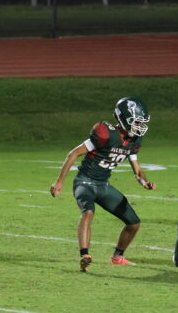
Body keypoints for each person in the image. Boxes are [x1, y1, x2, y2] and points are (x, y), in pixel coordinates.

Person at [50, 96, 157, 272]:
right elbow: (73, 154)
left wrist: (144, 181)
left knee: (133, 223)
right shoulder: (106, 133)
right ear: (124, 119)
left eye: (140, 123)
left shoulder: (133, 141)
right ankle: (85, 255)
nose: (139, 126)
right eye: (136, 122)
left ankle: (118, 257)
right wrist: (59, 181)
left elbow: (137, 170)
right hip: (84, 182)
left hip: (103, 185)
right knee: (88, 212)